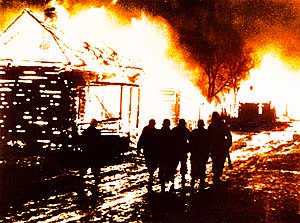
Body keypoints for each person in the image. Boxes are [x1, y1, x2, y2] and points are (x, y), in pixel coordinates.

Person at [208, 111, 232, 186]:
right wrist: (228, 144)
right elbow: (229, 136)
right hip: (220, 147)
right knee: (219, 162)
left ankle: (216, 177)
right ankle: (217, 177)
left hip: (216, 147)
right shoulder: (222, 125)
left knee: (217, 162)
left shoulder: (212, 126)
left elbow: (208, 138)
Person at [137, 119, 159, 190]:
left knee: (149, 161)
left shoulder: (146, 130)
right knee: (152, 162)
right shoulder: (155, 131)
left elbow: (141, 139)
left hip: (148, 149)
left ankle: (151, 173)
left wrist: (139, 149)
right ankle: (151, 173)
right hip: (152, 150)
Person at [80, 118, 102, 184]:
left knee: (85, 165)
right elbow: (99, 143)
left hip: (87, 151)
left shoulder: (85, 132)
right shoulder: (97, 133)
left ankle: (81, 178)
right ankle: (96, 178)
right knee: (95, 166)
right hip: (94, 151)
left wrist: (83, 149)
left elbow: (82, 141)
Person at [189, 119, 210, 189]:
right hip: (202, 153)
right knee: (202, 166)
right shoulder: (206, 132)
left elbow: (190, 141)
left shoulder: (194, 132)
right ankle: (201, 180)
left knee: (194, 166)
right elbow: (209, 143)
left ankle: (193, 180)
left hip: (195, 153)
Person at [171, 118, 191, 188]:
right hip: (182, 151)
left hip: (176, 151)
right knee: (183, 164)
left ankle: (172, 179)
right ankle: (183, 178)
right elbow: (191, 140)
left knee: (174, 165)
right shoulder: (186, 130)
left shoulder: (174, 130)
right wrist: (188, 148)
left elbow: (170, 140)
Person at [157, 119, 173, 192]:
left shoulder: (159, 132)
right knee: (168, 167)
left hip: (161, 153)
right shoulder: (171, 133)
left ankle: (162, 181)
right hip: (168, 153)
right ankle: (166, 178)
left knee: (162, 167)